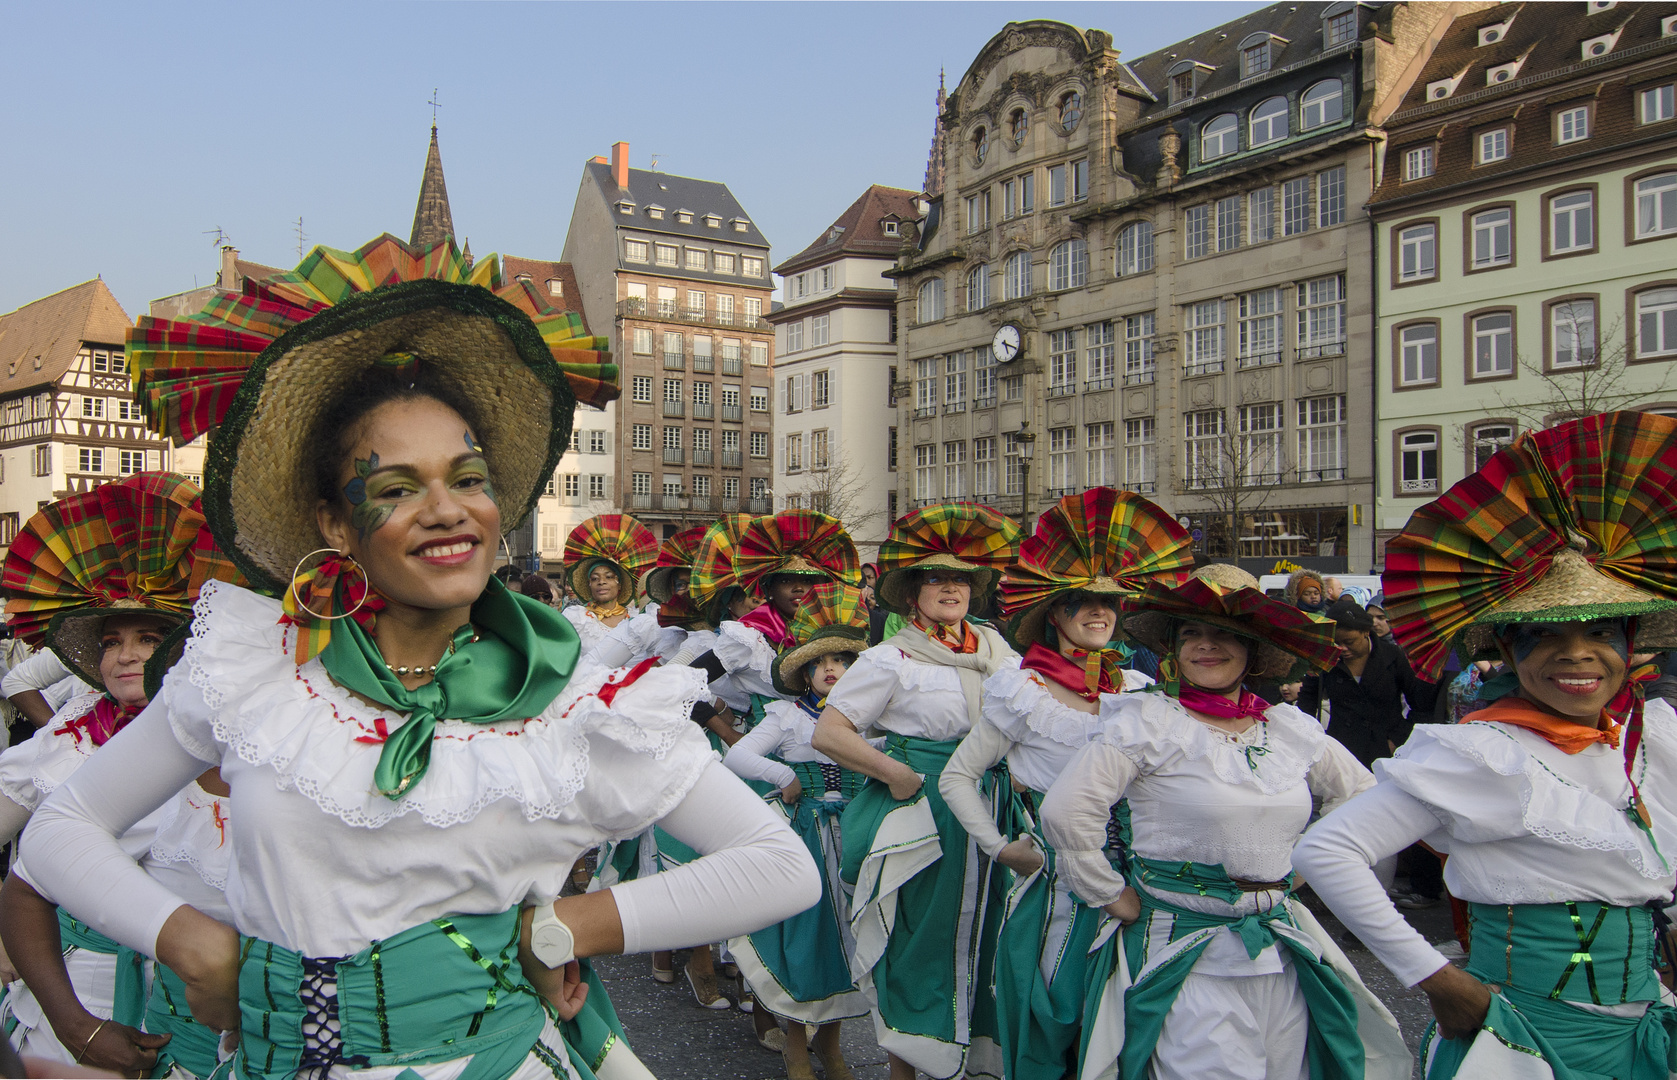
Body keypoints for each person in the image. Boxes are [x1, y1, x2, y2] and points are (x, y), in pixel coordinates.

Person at [20, 234, 819, 1080]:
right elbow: (60, 830)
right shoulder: (259, 674)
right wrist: (190, 943)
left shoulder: (574, 700)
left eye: (468, 479)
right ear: (335, 524)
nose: (448, 511)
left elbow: (776, 866)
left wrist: (567, 927)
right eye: (397, 488)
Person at [1295, 410, 1677, 1080]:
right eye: (1545, 638)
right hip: (1524, 1042)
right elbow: (1327, 850)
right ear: (1505, 650)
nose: (1577, 655)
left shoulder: (1649, 737)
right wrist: (1439, 981)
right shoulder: (1478, 752)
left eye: (1599, 633)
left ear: (1629, 641)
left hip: (1643, 1034)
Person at [1039, 564, 1408, 1080]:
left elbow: (1361, 793)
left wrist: (1307, 867)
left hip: (1281, 947)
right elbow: (1067, 810)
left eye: (1224, 634)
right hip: (1183, 952)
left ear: (1253, 649)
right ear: (1173, 648)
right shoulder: (1149, 721)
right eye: (1191, 633)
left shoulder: (1287, 728)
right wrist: (1106, 892)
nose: (1206, 646)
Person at [939, 489, 1192, 1080]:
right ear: (1055, 614)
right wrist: (1000, 847)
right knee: (1057, 1016)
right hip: (1059, 884)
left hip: (1147, 882)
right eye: (1083, 602)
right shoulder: (1020, 691)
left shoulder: (1136, 686)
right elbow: (958, 776)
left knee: (1136, 1023)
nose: (1099, 612)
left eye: (1109, 602)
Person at [0, 472, 241, 1076]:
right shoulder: (72, 736)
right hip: (78, 991)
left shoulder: (228, 744)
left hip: (180, 1011)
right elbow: (22, 872)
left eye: (148, 637)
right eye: (112, 642)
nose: (126, 655)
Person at [811, 503, 1022, 1080]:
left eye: (959, 578)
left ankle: (971, 1062)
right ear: (913, 595)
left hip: (993, 806)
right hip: (927, 812)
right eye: (935, 578)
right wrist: (898, 776)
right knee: (920, 937)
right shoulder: (891, 657)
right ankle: (904, 1069)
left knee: (991, 935)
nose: (950, 588)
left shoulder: (999, 654)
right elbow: (829, 732)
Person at [723, 582, 873, 1080]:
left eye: (841, 661)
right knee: (806, 936)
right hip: (805, 835)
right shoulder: (786, 715)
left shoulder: (872, 717)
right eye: (819, 662)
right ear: (804, 672)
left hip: (857, 836)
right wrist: (784, 776)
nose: (831, 669)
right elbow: (736, 755)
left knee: (852, 937)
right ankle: (794, 1042)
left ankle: (831, 1046)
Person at [562, 514, 658, 658]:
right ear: (589, 585)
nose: (601, 582)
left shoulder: (638, 620)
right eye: (595, 579)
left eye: (609, 577)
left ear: (620, 585)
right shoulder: (576, 618)